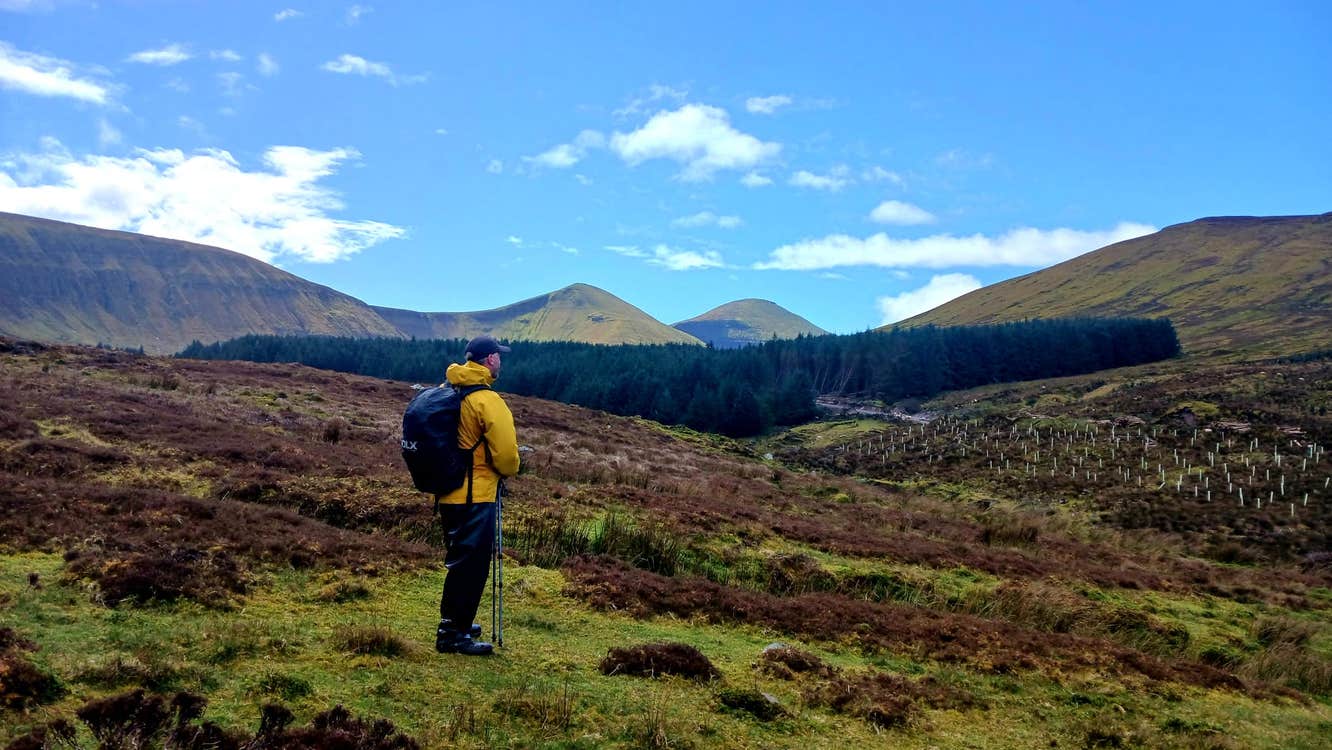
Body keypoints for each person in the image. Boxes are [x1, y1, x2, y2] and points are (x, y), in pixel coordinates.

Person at [434, 334, 520, 656]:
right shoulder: (487, 400)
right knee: (472, 567)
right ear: (490, 360)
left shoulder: (449, 389)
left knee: (460, 562)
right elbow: (508, 458)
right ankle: (452, 635)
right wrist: (505, 470)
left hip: (447, 492)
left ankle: (457, 623)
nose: (501, 360)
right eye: (499, 355)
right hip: (477, 494)